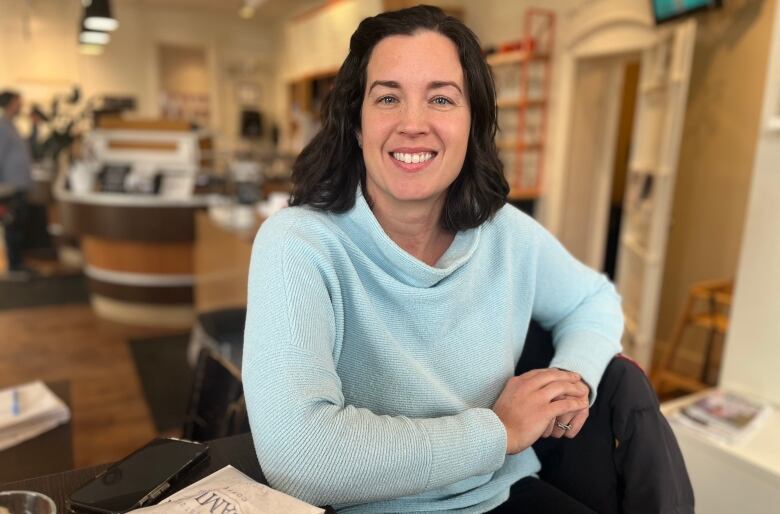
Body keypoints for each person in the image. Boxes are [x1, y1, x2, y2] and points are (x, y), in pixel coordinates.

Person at [243, 6, 691, 513]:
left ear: (472, 122)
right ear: (356, 124)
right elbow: (300, 455)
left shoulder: (505, 233)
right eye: (388, 97)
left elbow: (594, 299)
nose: (413, 124)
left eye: (441, 98)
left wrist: (572, 378)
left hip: (504, 493)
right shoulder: (298, 243)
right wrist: (497, 433)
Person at [0, 89, 33, 275]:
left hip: (18, 185)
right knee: (13, 227)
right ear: (11, 103)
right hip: (9, 187)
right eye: (18, 101)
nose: (21, 105)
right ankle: (14, 266)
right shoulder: (3, 126)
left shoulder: (11, 125)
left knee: (19, 226)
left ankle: (18, 263)